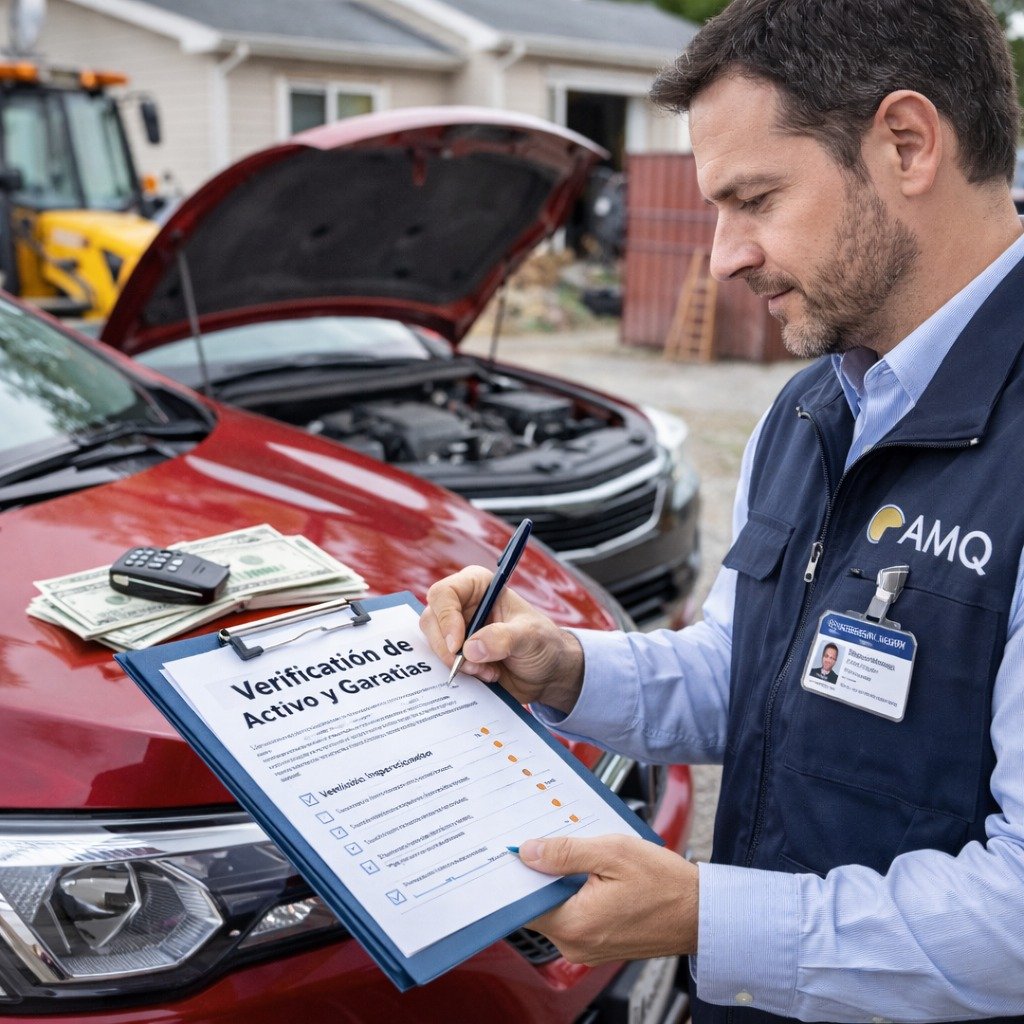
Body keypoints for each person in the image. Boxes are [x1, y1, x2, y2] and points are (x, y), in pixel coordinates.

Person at [420, 1, 1024, 1020]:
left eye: (754, 199)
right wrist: (566, 664)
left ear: (907, 144)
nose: (723, 257)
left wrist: (704, 915)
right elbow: (747, 669)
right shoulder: (812, 407)